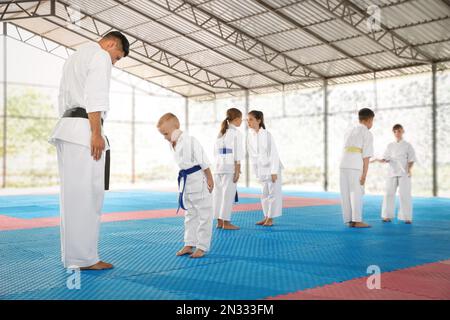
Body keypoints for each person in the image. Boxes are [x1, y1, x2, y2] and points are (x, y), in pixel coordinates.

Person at [49, 32, 130, 270]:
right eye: (117, 57)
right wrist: (96, 132)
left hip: (67, 128)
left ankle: (73, 257)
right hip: (84, 130)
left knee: (71, 198)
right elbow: (95, 96)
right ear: (111, 43)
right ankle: (85, 259)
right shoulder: (100, 56)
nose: (114, 62)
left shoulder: (75, 57)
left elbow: (64, 97)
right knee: (88, 196)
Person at [157, 113, 214, 258]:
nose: (165, 137)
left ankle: (202, 246)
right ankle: (189, 243)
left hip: (198, 180)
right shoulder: (173, 143)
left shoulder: (190, 140)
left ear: (175, 128)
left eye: (166, 133)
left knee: (204, 214)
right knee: (189, 214)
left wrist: (209, 178)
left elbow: (203, 160)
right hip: (186, 181)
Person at [371, 124, 416, 224]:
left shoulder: (408, 145)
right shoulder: (390, 145)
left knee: (405, 194)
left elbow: (411, 159)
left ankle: (407, 217)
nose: (397, 133)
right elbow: (385, 158)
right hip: (392, 172)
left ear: (403, 131)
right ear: (393, 133)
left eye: (399, 131)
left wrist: (409, 169)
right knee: (388, 194)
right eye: (395, 131)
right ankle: (387, 216)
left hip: (404, 172)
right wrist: (376, 160)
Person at [247, 110, 283, 227]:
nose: (249, 122)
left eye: (251, 119)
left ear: (259, 120)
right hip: (262, 169)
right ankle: (266, 216)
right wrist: (256, 172)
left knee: (273, 193)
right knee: (264, 194)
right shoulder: (250, 136)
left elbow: (274, 153)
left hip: (273, 168)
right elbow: (252, 156)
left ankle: (271, 218)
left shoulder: (267, 135)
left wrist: (274, 171)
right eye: (248, 120)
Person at [339, 108, 375, 228]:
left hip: (343, 164)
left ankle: (349, 220)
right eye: (372, 121)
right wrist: (364, 174)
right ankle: (357, 220)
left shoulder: (349, 130)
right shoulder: (367, 133)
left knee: (345, 193)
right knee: (357, 193)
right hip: (355, 165)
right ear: (369, 120)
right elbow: (366, 156)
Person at [213, 108, 244, 230]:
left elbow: (214, 153)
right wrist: (237, 170)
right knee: (228, 196)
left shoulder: (220, 133)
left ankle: (219, 222)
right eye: (241, 119)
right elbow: (238, 153)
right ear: (236, 119)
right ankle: (226, 222)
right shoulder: (237, 133)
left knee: (218, 195)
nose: (241, 121)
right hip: (229, 167)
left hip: (218, 167)